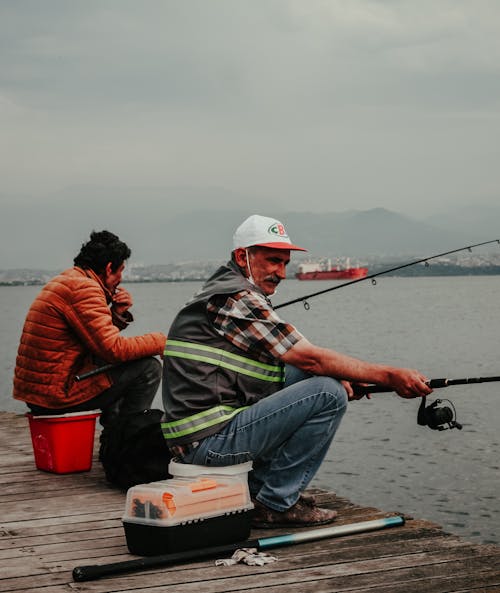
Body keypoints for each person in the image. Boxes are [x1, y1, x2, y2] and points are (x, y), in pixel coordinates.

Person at [161, 215, 432, 528]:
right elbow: (308, 357)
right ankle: (276, 503)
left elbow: (295, 363)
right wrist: (387, 376)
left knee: (316, 380)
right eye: (273, 261)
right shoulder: (236, 299)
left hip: (200, 439)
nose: (282, 273)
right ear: (242, 256)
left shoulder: (225, 291)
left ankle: (263, 490)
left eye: (285, 263)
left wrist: (345, 375)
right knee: (328, 393)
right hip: (206, 446)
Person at [13, 230, 167, 434]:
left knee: (124, 365)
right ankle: (127, 438)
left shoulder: (69, 280)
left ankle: (114, 434)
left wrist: (117, 314)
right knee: (148, 369)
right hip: (55, 396)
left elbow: (92, 341)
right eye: (120, 270)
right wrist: (160, 342)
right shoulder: (84, 288)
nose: (121, 278)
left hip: (41, 392)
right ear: (109, 267)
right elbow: (113, 350)